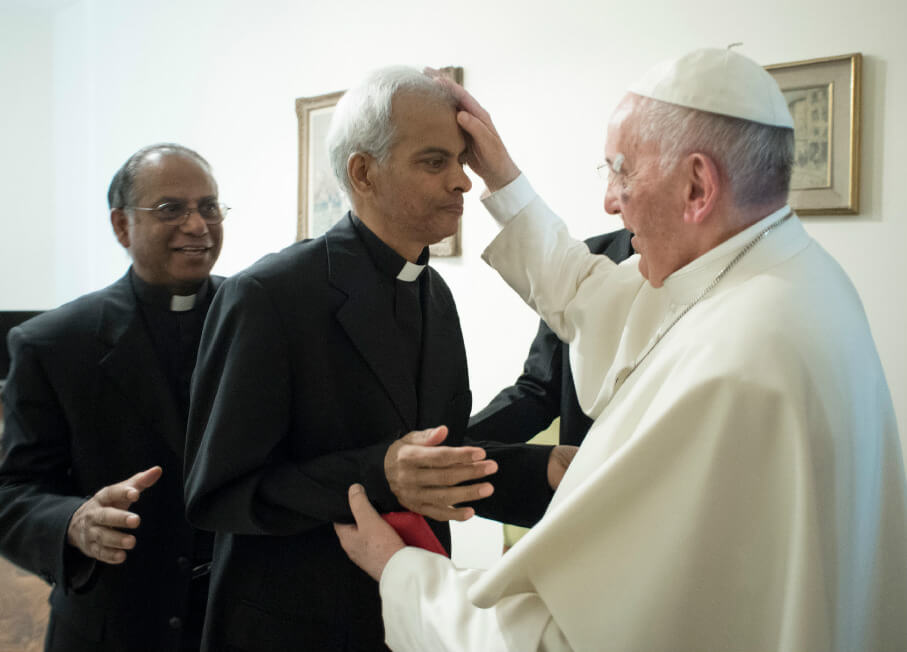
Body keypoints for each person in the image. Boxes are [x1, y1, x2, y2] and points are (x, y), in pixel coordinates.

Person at [335, 49, 907, 651]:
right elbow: (591, 295)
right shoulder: (783, 278)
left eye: (621, 171)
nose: (610, 201)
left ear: (697, 186)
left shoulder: (734, 362)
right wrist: (504, 181)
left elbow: (560, 639)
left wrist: (401, 573)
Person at [183, 66, 498, 652]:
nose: (461, 181)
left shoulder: (435, 293)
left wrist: (553, 467)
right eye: (435, 162)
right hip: (292, 624)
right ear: (363, 172)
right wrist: (379, 473)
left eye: (462, 161)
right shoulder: (267, 296)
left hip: (411, 618)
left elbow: (437, 459)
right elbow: (218, 492)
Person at [0, 143, 227, 651]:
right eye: (171, 208)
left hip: (236, 623)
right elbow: (11, 495)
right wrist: (73, 522)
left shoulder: (258, 323)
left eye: (209, 206)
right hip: (113, 625)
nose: (198, 225)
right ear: (122, 226)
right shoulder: (52, 344)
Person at [467, 228, 634, 527]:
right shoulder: (593, 255)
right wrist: (453, 447)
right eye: (611, 176)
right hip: (583, 507)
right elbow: (538, 390)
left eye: (624, 176)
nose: (612, 200)